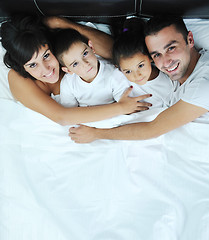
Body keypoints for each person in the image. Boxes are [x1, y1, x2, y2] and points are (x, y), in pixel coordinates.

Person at [69, 15, 209, 143]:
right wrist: (65, 24)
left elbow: (152, 129)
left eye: (171, 48)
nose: (165, 62)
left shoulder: (203, 84)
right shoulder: (166, 68)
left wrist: (96, 134)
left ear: (190, 40)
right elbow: (119, 53)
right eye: (156, 55)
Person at [0, 14, 151, 125]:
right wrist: (120, 108)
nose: (46, 69)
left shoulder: (69, 55)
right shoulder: (18, 78)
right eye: (33, 65)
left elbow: (117, 53)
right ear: (22, 67)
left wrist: (64, 24)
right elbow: (62, 117)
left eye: (46, 56)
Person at [51, 28, 144, 109]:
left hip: (114, 117)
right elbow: (71, 113)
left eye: (85, 54)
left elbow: (125, 105)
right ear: (68, 70)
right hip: (86, 121)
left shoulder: (113, 73)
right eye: (75, 64)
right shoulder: (68, 83)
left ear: (91, 47)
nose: (85, 64)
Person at [112, 19, 173, 108]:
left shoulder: (167, 84)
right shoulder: (118, 79)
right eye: (128, 71)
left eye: (140, 66)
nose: (137, 75)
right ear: (119, 68)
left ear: (150, 58)